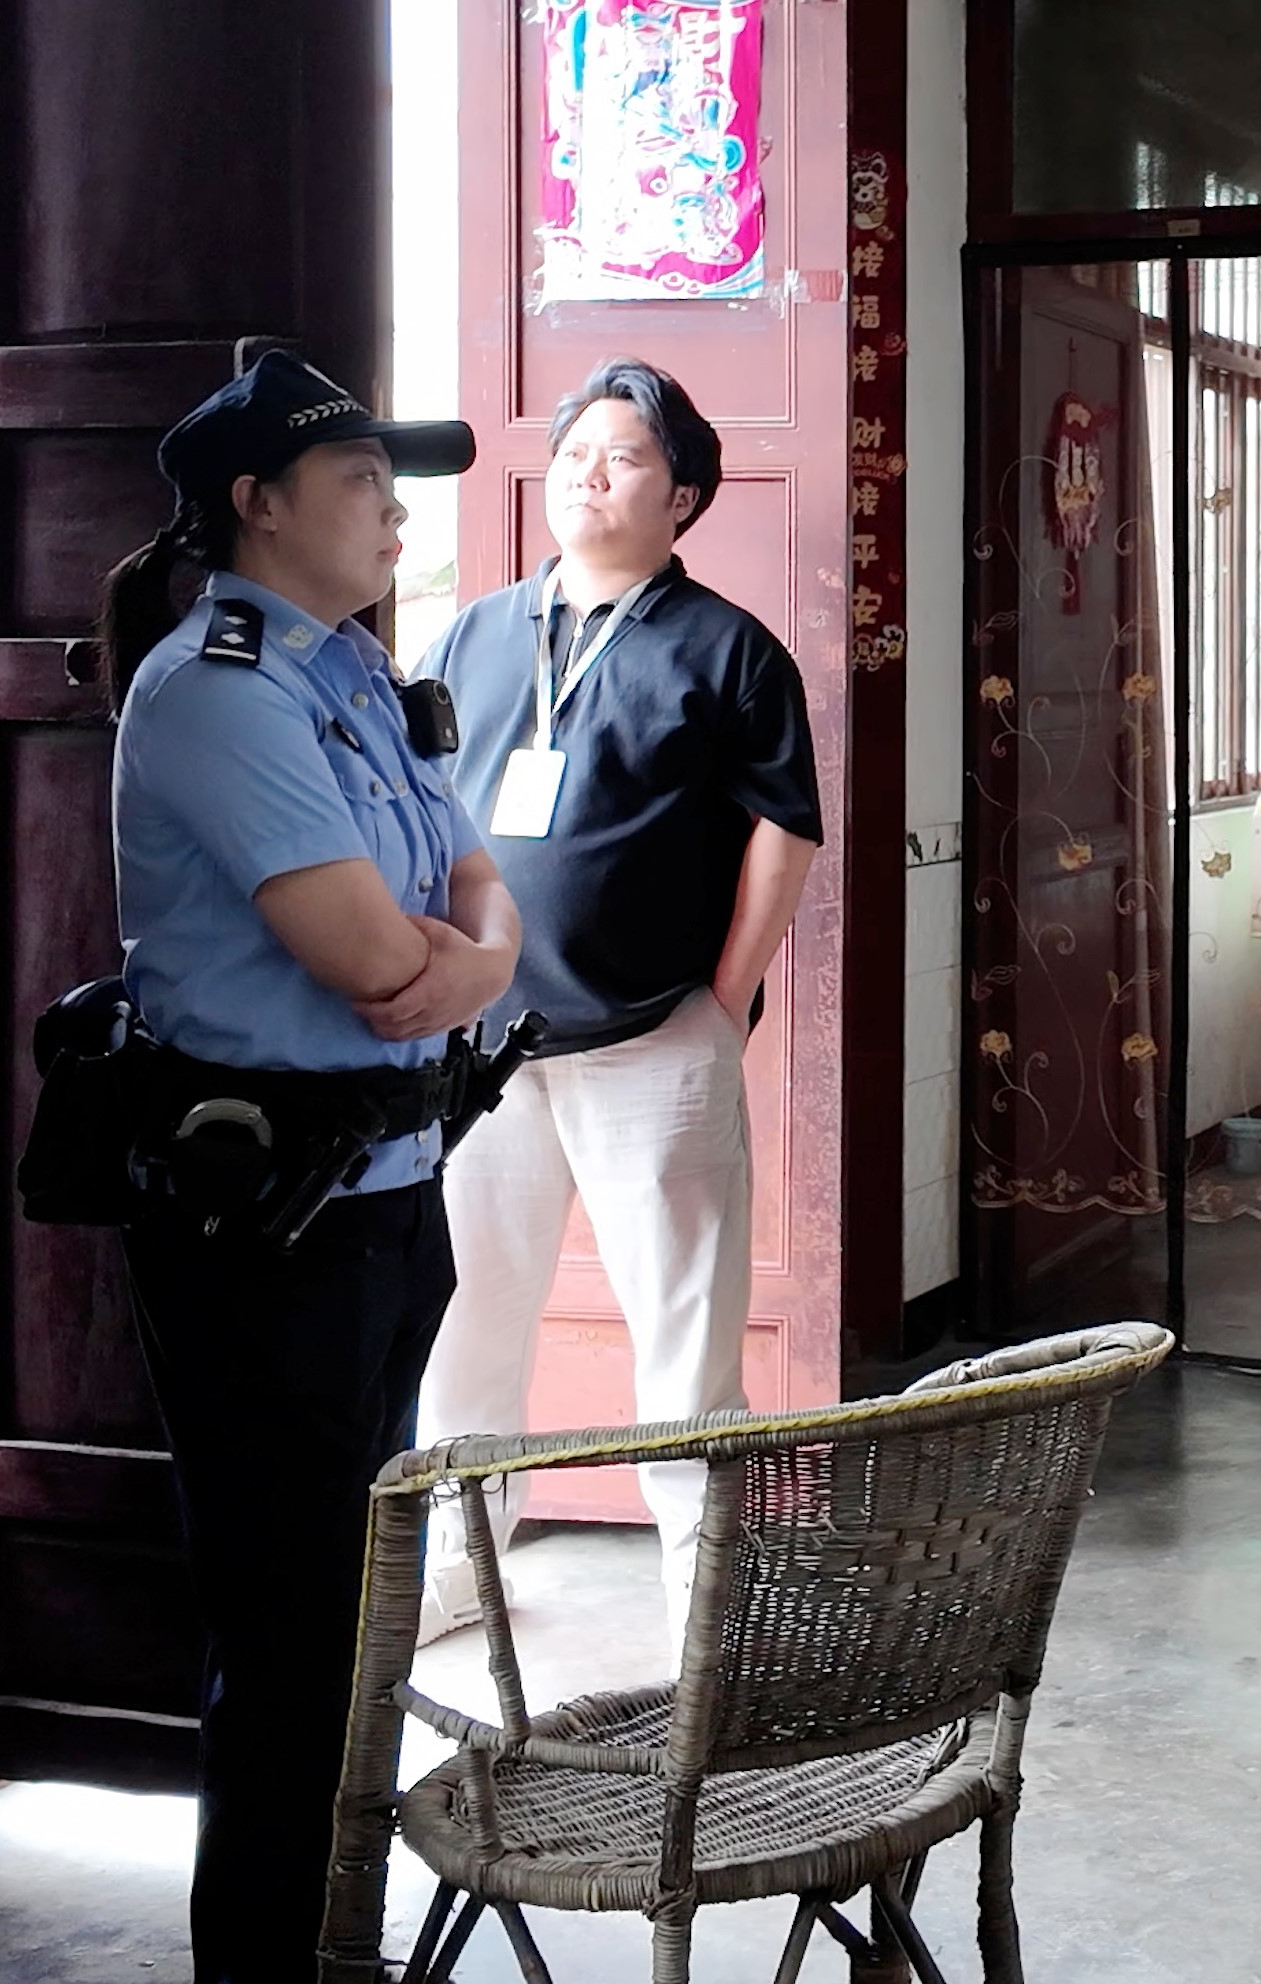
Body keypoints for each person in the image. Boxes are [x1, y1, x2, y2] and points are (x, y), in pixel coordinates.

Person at [97, 349, 515, 1984]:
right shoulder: (220, 692)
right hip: (266, 1237)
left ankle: (338, 1971)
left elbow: (479, 894)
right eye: (358, 481)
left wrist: (474, 958)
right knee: (289, 1639)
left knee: (361, 1621)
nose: (394, 513)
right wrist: (467, 957)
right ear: (256, 504)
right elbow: (368, 955)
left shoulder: (356, 676)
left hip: (390, 1205)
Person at [412, 356, 823, 1644]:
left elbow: (785, 833)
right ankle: (460, 1570)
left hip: (654, 1037)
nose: (589, 472)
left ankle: (707, 1602)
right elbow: (416, 806)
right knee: (465, 1323)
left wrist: (723, 1001)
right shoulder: (472, 635)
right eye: (575, 450)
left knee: (686, 1341)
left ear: (683, 496)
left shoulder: (729, 650)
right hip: (482, 1049)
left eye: (625, 456)